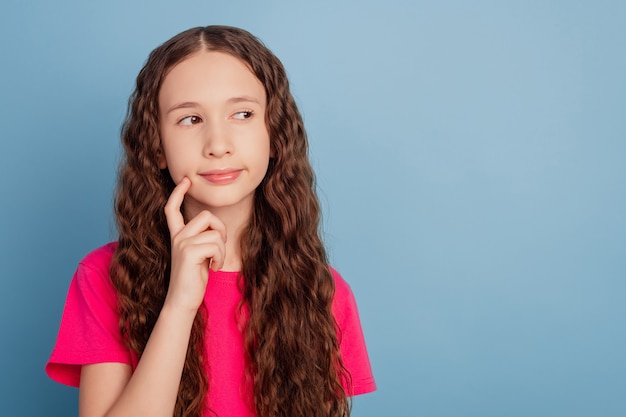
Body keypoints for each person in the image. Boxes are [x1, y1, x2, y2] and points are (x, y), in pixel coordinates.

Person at [46, 25, 376, 417]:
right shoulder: (105, 277)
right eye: (190, 119)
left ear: (274, 134)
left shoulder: (324, 294)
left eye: (242, 114)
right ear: (158, 148)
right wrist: (179, 305)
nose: (218, 144)